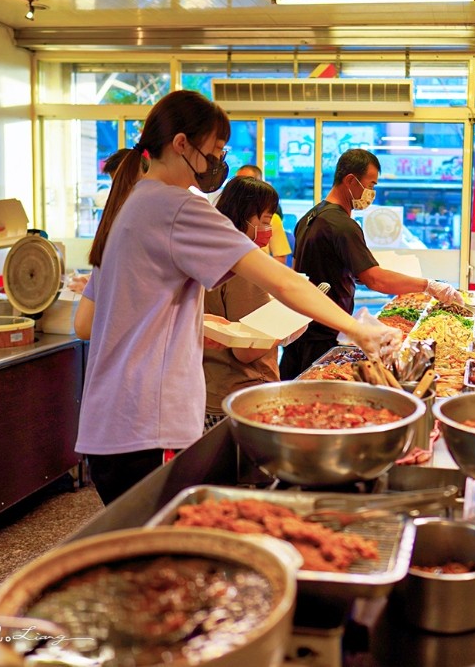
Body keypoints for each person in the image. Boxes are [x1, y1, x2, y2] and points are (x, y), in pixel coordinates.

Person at [73, 91, 400, 504]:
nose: (217, 163)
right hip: (149, 426)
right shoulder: (176, 207)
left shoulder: (128, 207)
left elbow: (84, 324)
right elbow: (283, 281)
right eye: (215, 151)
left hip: (110, 426)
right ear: (181, 145)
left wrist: (193, 323)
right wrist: (358, 330)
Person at [280, 148, 463, 379]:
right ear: (350, 180)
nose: (372, 192)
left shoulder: (309, 217)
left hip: (300, 333)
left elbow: (302, 271)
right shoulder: (343, 225)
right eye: (371, 184)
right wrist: (428, 285)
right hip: (323, 335)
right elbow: (374, 279)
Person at [202, 176, 294, 430]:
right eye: (265, 221)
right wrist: (290, 326)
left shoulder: (207, 253)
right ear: (243, 218)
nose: (270, 230)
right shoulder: (243, 268)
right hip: (242, 396)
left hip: (210, 391)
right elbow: (247, 349)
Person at [235, 164, 291, 264]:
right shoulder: (225, 218)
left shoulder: (273, 219)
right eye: (239, 183)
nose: (243, 188)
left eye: (249, 182)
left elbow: (280, 257)